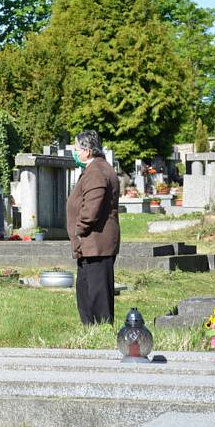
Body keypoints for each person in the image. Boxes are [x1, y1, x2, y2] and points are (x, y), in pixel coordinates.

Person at [66, 130, 120, 324]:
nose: (74, 152)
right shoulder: (96, 168)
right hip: (91, 244)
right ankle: (91, 330)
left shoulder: (96, 171)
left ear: (87, 151)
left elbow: (91, 208)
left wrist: (79, 230)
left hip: (95, 242)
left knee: (97, 295)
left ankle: (101, 330)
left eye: (76, 149)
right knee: (87, 291)